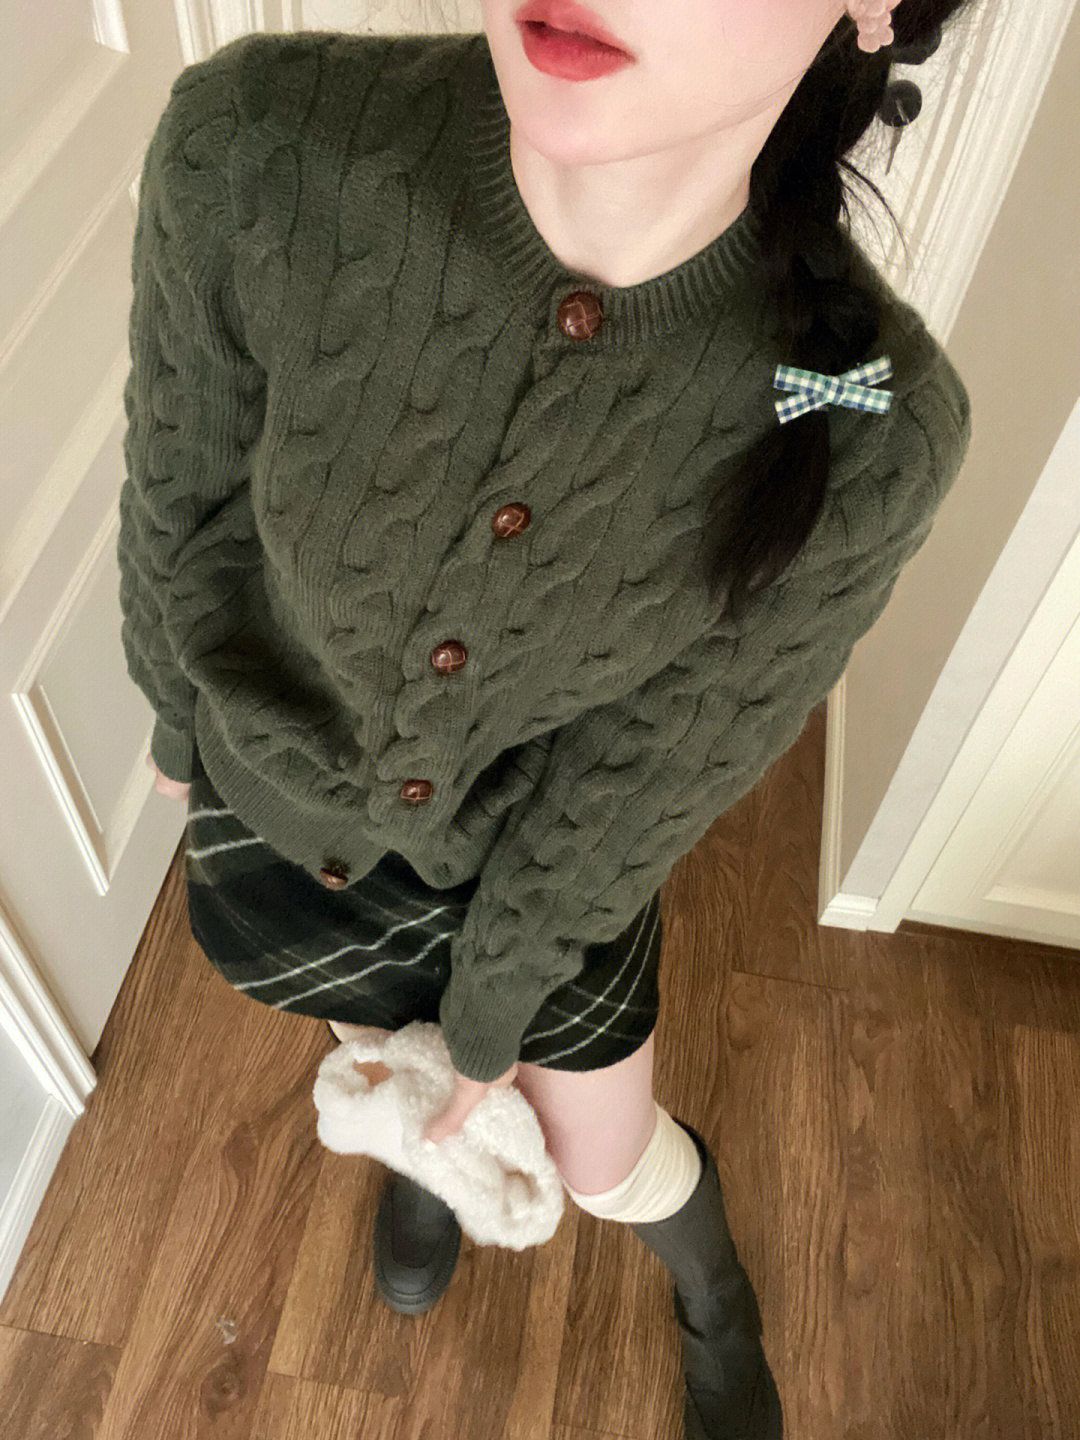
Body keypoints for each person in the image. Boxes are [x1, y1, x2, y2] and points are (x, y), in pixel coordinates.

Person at [120, 3, 976, 1435]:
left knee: (598, 1160)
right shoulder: (258, 148)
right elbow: (178, 500)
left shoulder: (859, 411)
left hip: (541, 872)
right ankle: (428, 1156)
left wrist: (493, 1010)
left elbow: (656, 767)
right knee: (393, 1068)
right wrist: (172, 719)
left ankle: (709, 1283)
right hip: (273, 825)